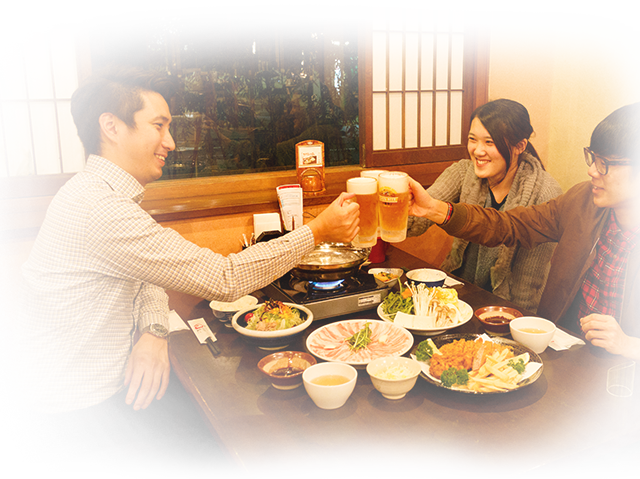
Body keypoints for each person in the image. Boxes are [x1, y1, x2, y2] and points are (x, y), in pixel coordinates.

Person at [0, 63, 360, 478]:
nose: (170, 142)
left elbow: (148, 275)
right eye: (159, 125)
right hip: (56, 433)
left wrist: (152, 333)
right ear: (111, 126)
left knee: (232, 443)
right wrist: (316, 231)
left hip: (115, 403)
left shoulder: (102, 194)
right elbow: (225, 279)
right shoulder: (98, 208)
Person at [408, 101, 640, 360]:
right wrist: (437, 209)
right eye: (593, 158)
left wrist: (631, 345)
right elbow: (512, 225)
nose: (592, 171)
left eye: (605, 164)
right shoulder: (583, 202)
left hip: (627, 373)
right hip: (569, 350)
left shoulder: (545, 188)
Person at [406, 99, 562, 312]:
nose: (478, 151)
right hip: (456, 297)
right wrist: (393, 210)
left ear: (520, 146)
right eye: (472, 139)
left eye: (489, 142)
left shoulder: (544, 192)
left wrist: (517, 324)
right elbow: (418, 220)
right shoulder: (463, 172)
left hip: (503, 309)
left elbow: (528, 282)